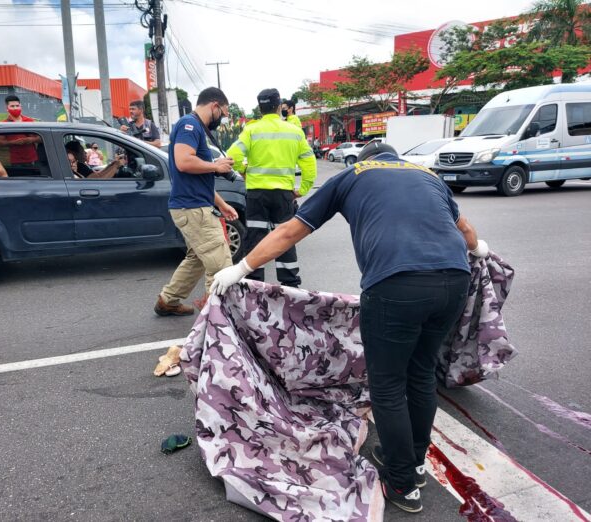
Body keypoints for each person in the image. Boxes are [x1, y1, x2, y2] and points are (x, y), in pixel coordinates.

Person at [210, 140, 489, 514]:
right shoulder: (426, 175)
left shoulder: (351, 175)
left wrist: (241, 268)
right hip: (454, 281)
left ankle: (402, 483)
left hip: (396, 286)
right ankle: (415, 464)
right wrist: (481, 250)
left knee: (388, 385)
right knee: (420, 373)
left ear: (364, 160)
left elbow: (290, 232)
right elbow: (466, 230)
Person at [154, 86, 238, 317]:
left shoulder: (193, 127)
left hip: (192, 205)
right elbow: (183, 161)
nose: (222, 119)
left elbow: (197, 179)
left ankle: (168, 301)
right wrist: (216, 166)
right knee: (221, 264)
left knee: (198, 259)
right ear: (215, 106)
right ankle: (218, 321)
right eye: (223, 113)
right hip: (193, 209)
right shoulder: (189, 125)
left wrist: (221, 204)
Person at [226, 88, 317, 288]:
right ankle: (290, 285)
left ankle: (254, 284)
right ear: (278, 107)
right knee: (285, 237)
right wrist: (303, 189)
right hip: (283, 195)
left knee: (255, 239)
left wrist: (244, 171)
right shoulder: (294, 131)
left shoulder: (251, 129)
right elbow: (309, 162)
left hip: (257, 195)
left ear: (260, 108)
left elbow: (233, 155)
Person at [0, 95, 41, 167]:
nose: (15, 108)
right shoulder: (3, 124)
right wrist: (14, 142)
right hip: (15, 160)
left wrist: (31, 140)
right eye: (12, 106)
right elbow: (0, 142)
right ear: (7, 108)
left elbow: (41, 138)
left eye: (17, 105)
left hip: (32, 159)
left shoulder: (30, 121)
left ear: (20, 106)